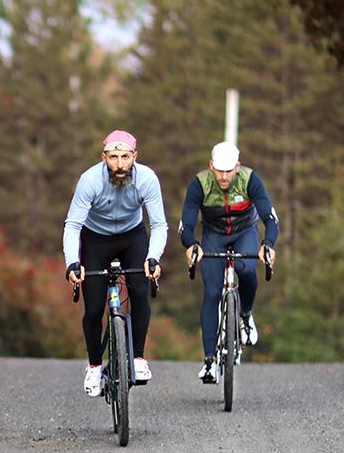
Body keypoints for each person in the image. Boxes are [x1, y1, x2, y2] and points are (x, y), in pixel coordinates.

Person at [63, 130, 167, 398]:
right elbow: (73, 225)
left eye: (125, 157)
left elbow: (158, 224)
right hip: (95, 239)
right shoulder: (89, 180)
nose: (119, 165)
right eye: (113, 157)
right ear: (103, 158)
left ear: (135, 156)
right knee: (95, 307)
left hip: (132, 237)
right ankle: (95, 365)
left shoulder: (147, 179)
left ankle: (139, 358)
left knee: (140, 292)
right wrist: (73, 262)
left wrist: (153, 257)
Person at [180, 141, 280, 384]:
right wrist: (192, 244)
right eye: (219, 171)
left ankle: (245, 315)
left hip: (244, 231)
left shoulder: (250, 180)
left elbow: (270, 217)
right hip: (214, 235)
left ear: (238, 166)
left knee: (245, 268)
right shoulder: (200, 183)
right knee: (212, 292)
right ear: (210, 166)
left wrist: (268, 244)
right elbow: (186, 223)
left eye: (229, 171)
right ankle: (209, 361)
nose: (224, 177)